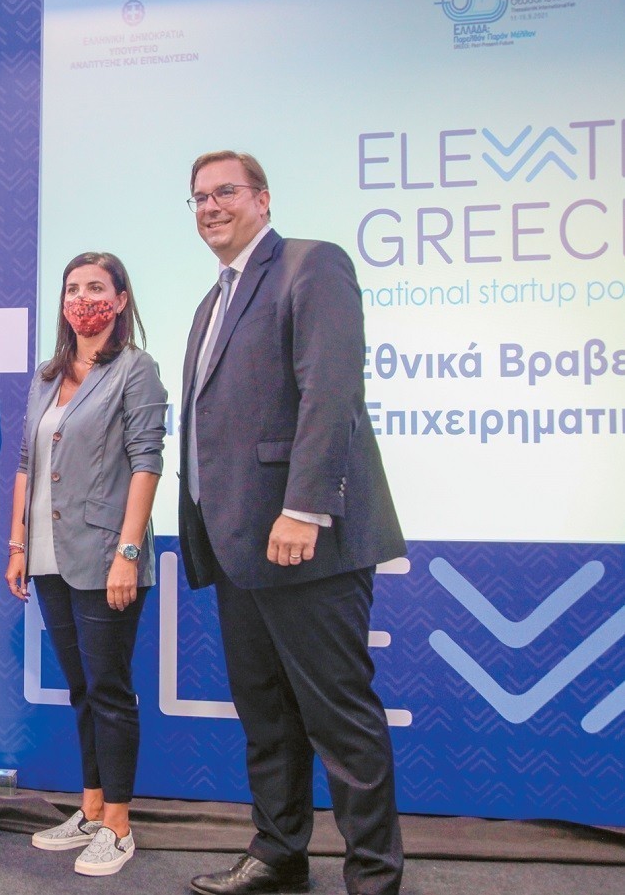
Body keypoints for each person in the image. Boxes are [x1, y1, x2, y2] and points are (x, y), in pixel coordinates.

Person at [178, 151, 407, 895]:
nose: (210, 207)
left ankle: (373, 877)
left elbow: (330, 391)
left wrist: (303, 507)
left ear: (263, 198)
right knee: (267, 716)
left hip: (304, 541)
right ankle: (279, 853)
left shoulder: (312, 264)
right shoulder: (211, 300)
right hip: (238, 545)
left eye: (225, 192)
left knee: (339, 717)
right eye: (198, 198)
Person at [5, 252, 166, 876]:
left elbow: (146, 462)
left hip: (105, 555)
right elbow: (27, 464)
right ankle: (92, 808)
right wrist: (18, 544)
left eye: (96, 287)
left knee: (109, 689)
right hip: (48, 554)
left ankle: (119, 825)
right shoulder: (47, 376)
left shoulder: (135, 369)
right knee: (81, 689)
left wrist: (129, 551)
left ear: (121, 300)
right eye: (73, 288)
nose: (82, 299)